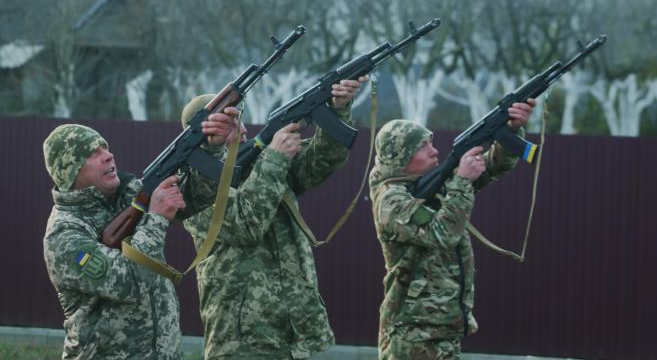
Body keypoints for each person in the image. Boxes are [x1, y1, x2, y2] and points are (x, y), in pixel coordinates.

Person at [181, 77, 367, 359]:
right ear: (204, 134)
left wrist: (338, 108)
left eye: (239, 120)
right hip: (242, 340)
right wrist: (276, 158)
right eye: (230, 124)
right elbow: (245, 225)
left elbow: (322, 160)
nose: (243, 130)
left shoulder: (259, 161)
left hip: (294, 332)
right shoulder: (194, 190)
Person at [42, 110, 238, 359]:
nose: (108, 155)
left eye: (105, 148)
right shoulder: (64, 235)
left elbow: (193, 198)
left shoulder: (128, 194)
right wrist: (156, 218)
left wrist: (212, 149)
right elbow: (128, 283)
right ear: (70, 171)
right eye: (93, 153)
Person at [369, 99, 536, 360]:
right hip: (412, 335)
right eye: (422, 147)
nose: (434, 151)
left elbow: (494, 166)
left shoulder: (429, 183)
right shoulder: (391, 200)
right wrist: (461, 182)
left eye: (431, 143)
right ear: (401, 156)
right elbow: (442, 234)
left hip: (441, 329)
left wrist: (511, 129)